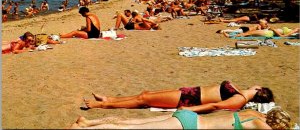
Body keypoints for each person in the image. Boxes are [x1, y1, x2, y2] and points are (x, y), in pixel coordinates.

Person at [83, 80, 274, 113]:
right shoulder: (243, 92)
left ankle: (102, 106)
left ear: (259, 91)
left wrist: (189, 109)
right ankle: (110, 99)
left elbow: (215, 106)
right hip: (191, 92)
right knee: (145, 94)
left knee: (145, 100)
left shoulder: (241, 99)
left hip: (190, 100)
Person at [69, 107, 292, 129]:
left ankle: (88, 122)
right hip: (189, 125)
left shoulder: (253, 113)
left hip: (187, 116)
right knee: (131, 128)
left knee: (132, 122)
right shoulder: (260, 125)